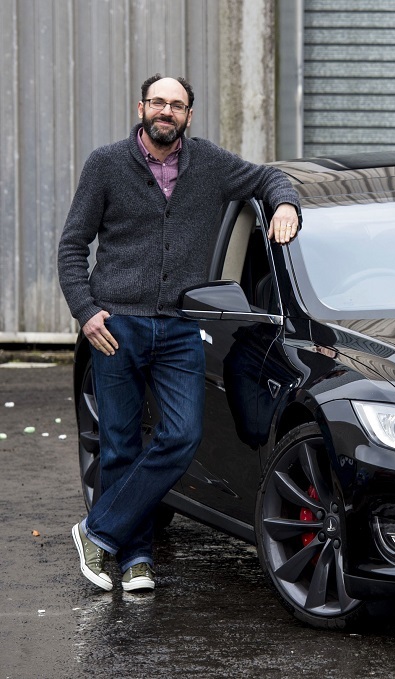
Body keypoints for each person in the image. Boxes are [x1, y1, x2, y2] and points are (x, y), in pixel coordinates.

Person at [58, 74, 302, 592]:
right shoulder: (105, 165)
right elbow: (72, 246)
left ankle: (96, 532)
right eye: (158, 102)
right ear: (141, 107)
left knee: (182, 436)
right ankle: (135, 559)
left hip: (178, 328)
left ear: (189, 116)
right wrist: (86, 311)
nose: (166, 111)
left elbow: (269, 179)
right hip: (116, 326)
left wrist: (284, 206)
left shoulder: (210, 164)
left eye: (177, 105)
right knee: (121, 444)